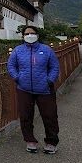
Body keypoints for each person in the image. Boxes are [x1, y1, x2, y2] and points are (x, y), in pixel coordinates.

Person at [7, 25, 61, 154]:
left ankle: (51, 142)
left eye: (32, 33)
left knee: (50, 116)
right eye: (27, 34)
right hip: (24, 88)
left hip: (44, 89)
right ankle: (30, 140)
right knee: (25, 115)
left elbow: (54, 67)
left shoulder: (46, 50)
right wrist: (17, 77)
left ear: (37, 35)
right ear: (23, 36)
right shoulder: (18, 51)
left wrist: (49, 80)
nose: (29, 36)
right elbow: (11, 65)